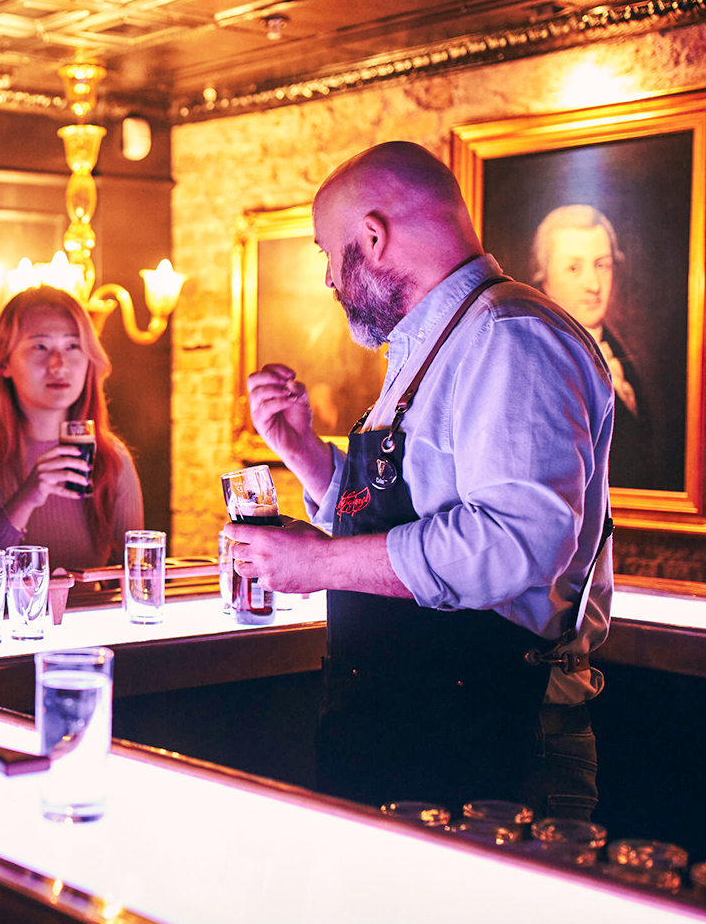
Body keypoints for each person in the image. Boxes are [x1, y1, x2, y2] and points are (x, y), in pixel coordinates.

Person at [229, 142, 613, 819]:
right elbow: (406, 513)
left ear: (373, 238)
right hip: (406, 730)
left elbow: (515, 543)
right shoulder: (438, 341)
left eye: (328, 252)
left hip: (493, 744)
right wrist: (303, 452)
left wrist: (318, 564)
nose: (328, 277)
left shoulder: (509, 336)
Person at [0, 285, 144, 575]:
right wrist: (27, 498)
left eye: (73, 346)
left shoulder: (110, 456)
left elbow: (136, 577)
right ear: (4, 362)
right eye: (40, 347)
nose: (58, 365)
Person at [530, 204, 665, 490]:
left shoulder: (619, 352)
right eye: (574, 268)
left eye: (601, 265)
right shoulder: (536, 362)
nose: (593, 285)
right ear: (546, 280)